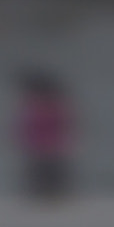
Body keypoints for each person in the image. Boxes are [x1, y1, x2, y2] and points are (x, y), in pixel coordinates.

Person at [15, 69, 76, 203]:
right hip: (44, 146)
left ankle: (50, 195)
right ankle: (45, 195)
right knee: (43, 173)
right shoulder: (42, 106)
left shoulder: (47, 107)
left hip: (49, 146)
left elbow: (63, 125)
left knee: (48, 173)